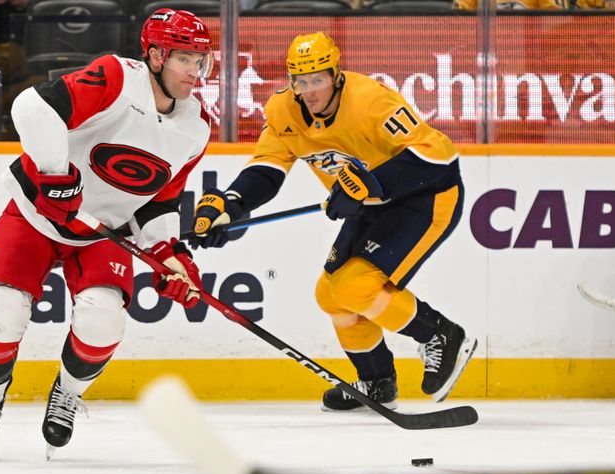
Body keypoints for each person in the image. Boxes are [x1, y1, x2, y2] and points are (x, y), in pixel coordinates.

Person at [0, 8, 214, 461]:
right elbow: (32, 107)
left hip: (99, 233)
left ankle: (68, 393)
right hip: (34, 214)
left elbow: (159, 199)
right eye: (184, 59)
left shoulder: (196, 128)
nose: (195, 72)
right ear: (154, 55)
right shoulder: (116, 77)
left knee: (103, 320)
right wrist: (55, 176)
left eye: (200, 61)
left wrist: (168, 254)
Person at [191, 33, 476, 411]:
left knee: (356, 288)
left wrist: (369, 186)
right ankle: (377, 382)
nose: (309, 91)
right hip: (371, 204)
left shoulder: (371, 100)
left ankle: (441, 334)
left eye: (318, 80)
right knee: (331, 293)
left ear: (336, 75)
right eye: (300, 81)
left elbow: (438, 158)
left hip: (426, 198)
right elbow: (267, 167)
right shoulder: (282, 112)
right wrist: (231, 203)